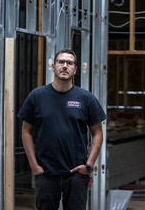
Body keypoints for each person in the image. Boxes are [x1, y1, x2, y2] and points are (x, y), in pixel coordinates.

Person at [17, 48, 106, 210]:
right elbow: (26, 131)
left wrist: (88, 165)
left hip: (76, 174)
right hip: (46, 173)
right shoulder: (37, 96)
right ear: (53, 66)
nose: (65, 66)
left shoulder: (86, 98)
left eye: (70, 63)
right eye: (61, 62)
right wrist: (34, 166)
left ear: (75, 69)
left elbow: (98, 133)